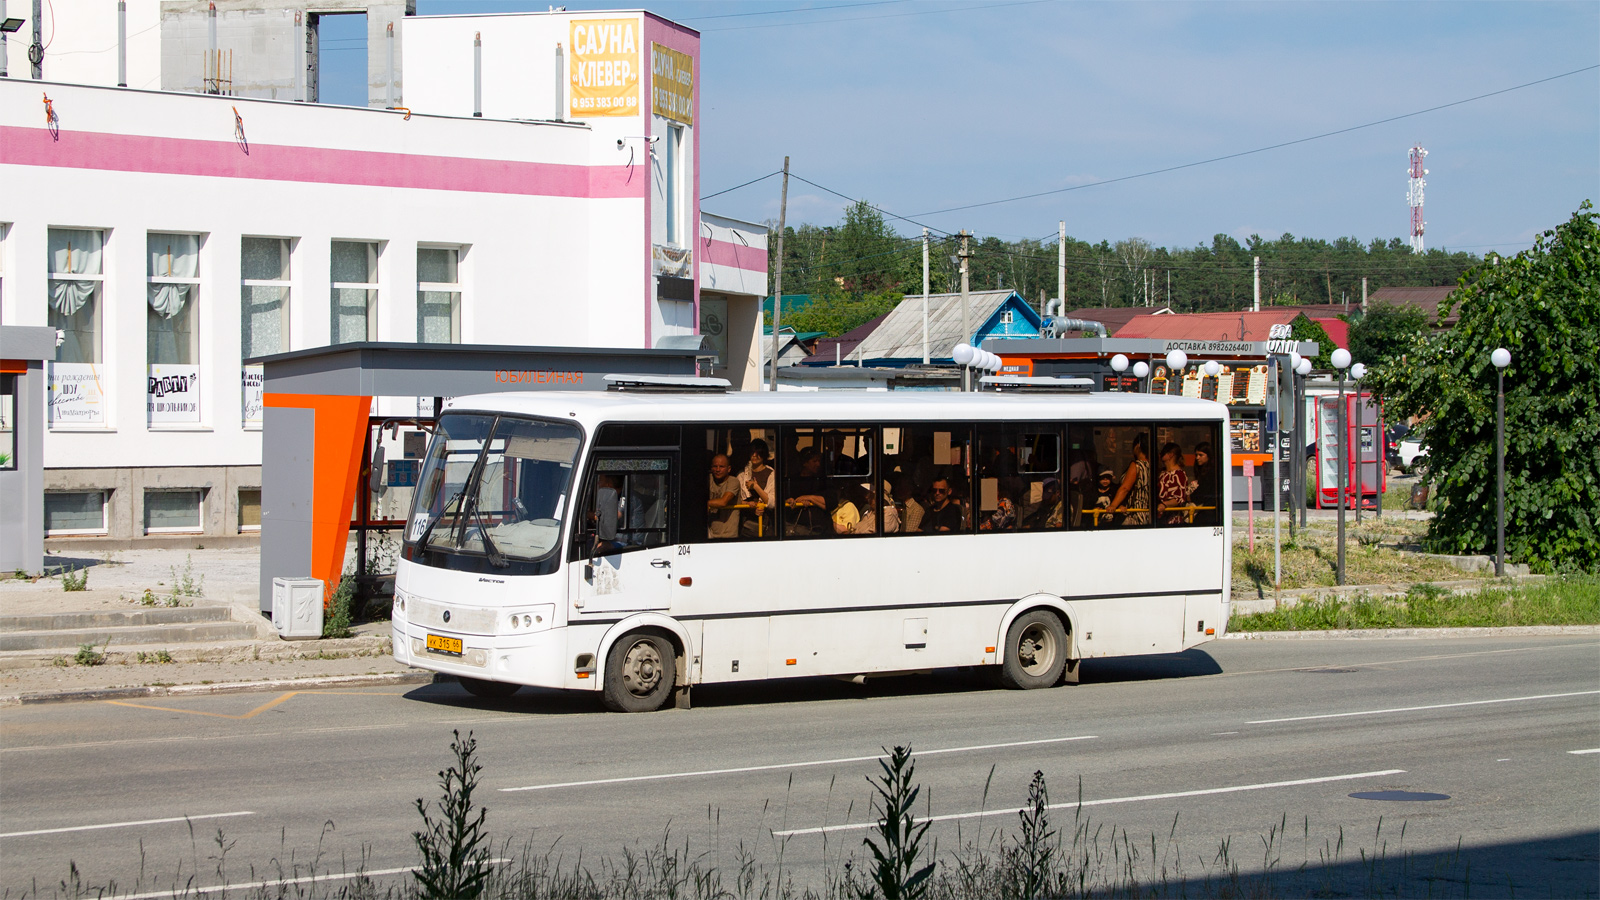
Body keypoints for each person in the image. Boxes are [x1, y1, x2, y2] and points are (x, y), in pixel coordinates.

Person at [1107, 433, 1151, 526]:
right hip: (1147, 514)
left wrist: (1113, 506)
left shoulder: (1137, 465)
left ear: (1137, 447)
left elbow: (1125, 488)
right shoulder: (1152, 465)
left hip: (1134, 514)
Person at [785, 448, 828, 536]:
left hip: (819, 529)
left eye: (819, 461)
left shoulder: (822, 480)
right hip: (796, 528)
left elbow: (828, 502)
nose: (818, 464)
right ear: (804, 463)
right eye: (814, 461)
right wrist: (793, 502)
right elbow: (784, 501)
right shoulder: (791, 481)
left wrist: (808, 498)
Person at [738, 439, 776, 538]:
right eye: (752, 452)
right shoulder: (742, 475)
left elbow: (771, 502)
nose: (754, 455)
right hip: (746, 525)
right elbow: (736, 500)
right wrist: (750, 506)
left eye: (758, 453)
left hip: (766, 524)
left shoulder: (771, 473)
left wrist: (755, 486)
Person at [706, 453, 741, 539]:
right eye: (715, 466)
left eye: (721, 467)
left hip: (728, 536)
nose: (717, 469)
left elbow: (723, 502)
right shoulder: (709, 479)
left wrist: (707, 503)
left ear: (729, 469)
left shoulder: (733, 481)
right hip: (710, 534)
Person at [1155, 441, 1190, 525]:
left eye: (1163, 452)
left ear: (1170, 455)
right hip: (1159, 517)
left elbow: (1179, 498)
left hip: (1171, 519)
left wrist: (1164, 504)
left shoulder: (1179, 475)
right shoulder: (1162, 472)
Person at [1189, 441, 1219, 525]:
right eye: (1196, 455)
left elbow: (1203, 490)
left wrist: (1190, 497)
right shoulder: (1204, 470)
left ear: (1208, 456)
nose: (1197, 458)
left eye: (1201, 455)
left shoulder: (1211, 472)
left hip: (1209, 510)